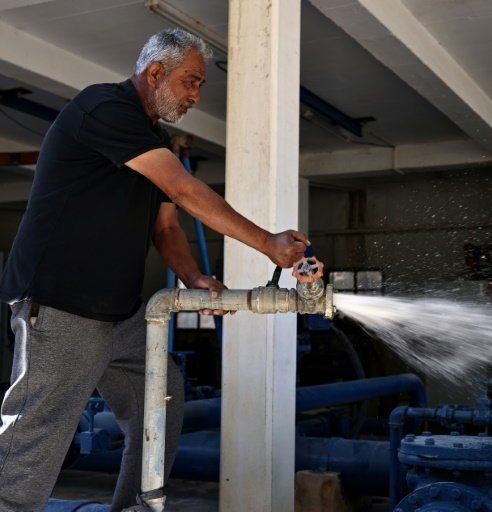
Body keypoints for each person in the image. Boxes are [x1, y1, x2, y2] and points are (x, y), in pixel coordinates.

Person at [0, 28, 315, 511]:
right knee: (35, 438)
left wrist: (194, 278)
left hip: (119, 313)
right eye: (191, 81)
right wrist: (267, 243)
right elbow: (184, 190)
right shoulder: (103, 109)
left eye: (199, 85)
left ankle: (135, 507)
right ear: (154, 73)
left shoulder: (154, 139)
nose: (196, 95)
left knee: (161, 403)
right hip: (61, 304)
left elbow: (166, 226)